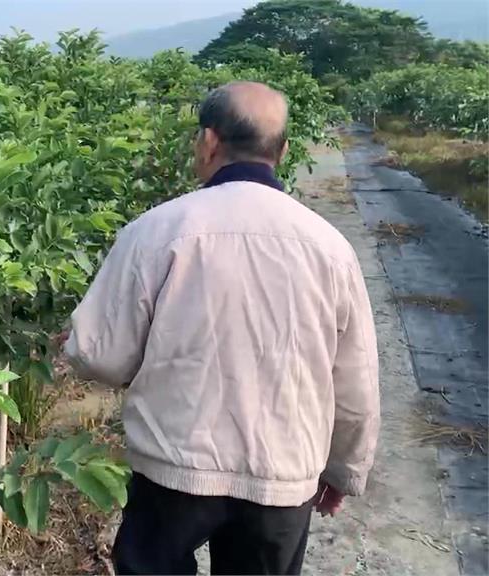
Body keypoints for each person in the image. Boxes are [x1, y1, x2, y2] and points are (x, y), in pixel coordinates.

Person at [62, 81, 380, 576]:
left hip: (175, 469)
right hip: (283, 474)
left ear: (209, 142)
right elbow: (355, 379)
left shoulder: (158, 230)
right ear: (284, 150)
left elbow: (98, 353)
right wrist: (344, 469)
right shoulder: (329, 246)